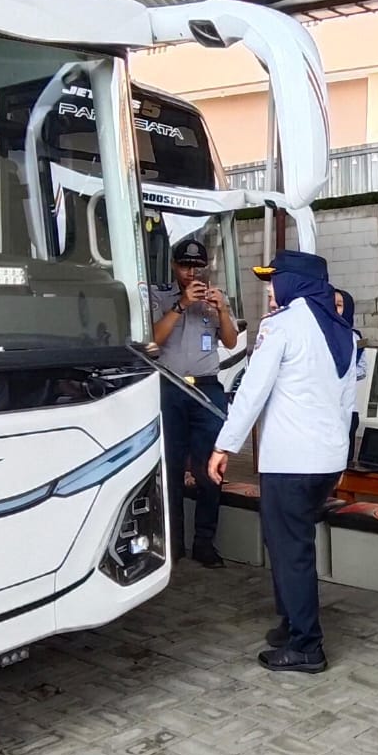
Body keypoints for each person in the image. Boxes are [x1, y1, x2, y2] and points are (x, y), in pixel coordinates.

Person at [207, 250, 354, 674]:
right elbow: (347, 402)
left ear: (295, 282)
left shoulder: (282, 326)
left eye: (275, 279)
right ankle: (292, 623)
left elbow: (252, 392)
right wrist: (340, 455)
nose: (270, 288)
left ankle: (307, 646)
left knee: (291, 551)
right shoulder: (342, 330)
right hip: (324, 460)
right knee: (293, 545)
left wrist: (224, 447)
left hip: (290, 461)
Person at [151, 236, 238, 567]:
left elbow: (229, 341)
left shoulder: (216, 299)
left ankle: (205, 541)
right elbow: (153, 340)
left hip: (206, 389)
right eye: (185, 266)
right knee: (171, 467)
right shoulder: (161, 296)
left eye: (197, 267)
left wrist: (223, 310)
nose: (191, 273)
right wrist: (181, 305)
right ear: (175, 266)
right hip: (170, 387)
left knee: (209, 469)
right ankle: (173, 545)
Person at [334, 288, 367, 450]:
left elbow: (362, 369)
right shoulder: (316, 334)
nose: (335, 309)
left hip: (347, 407)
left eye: (339, 305)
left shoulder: (354, 337)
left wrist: (345, 374)